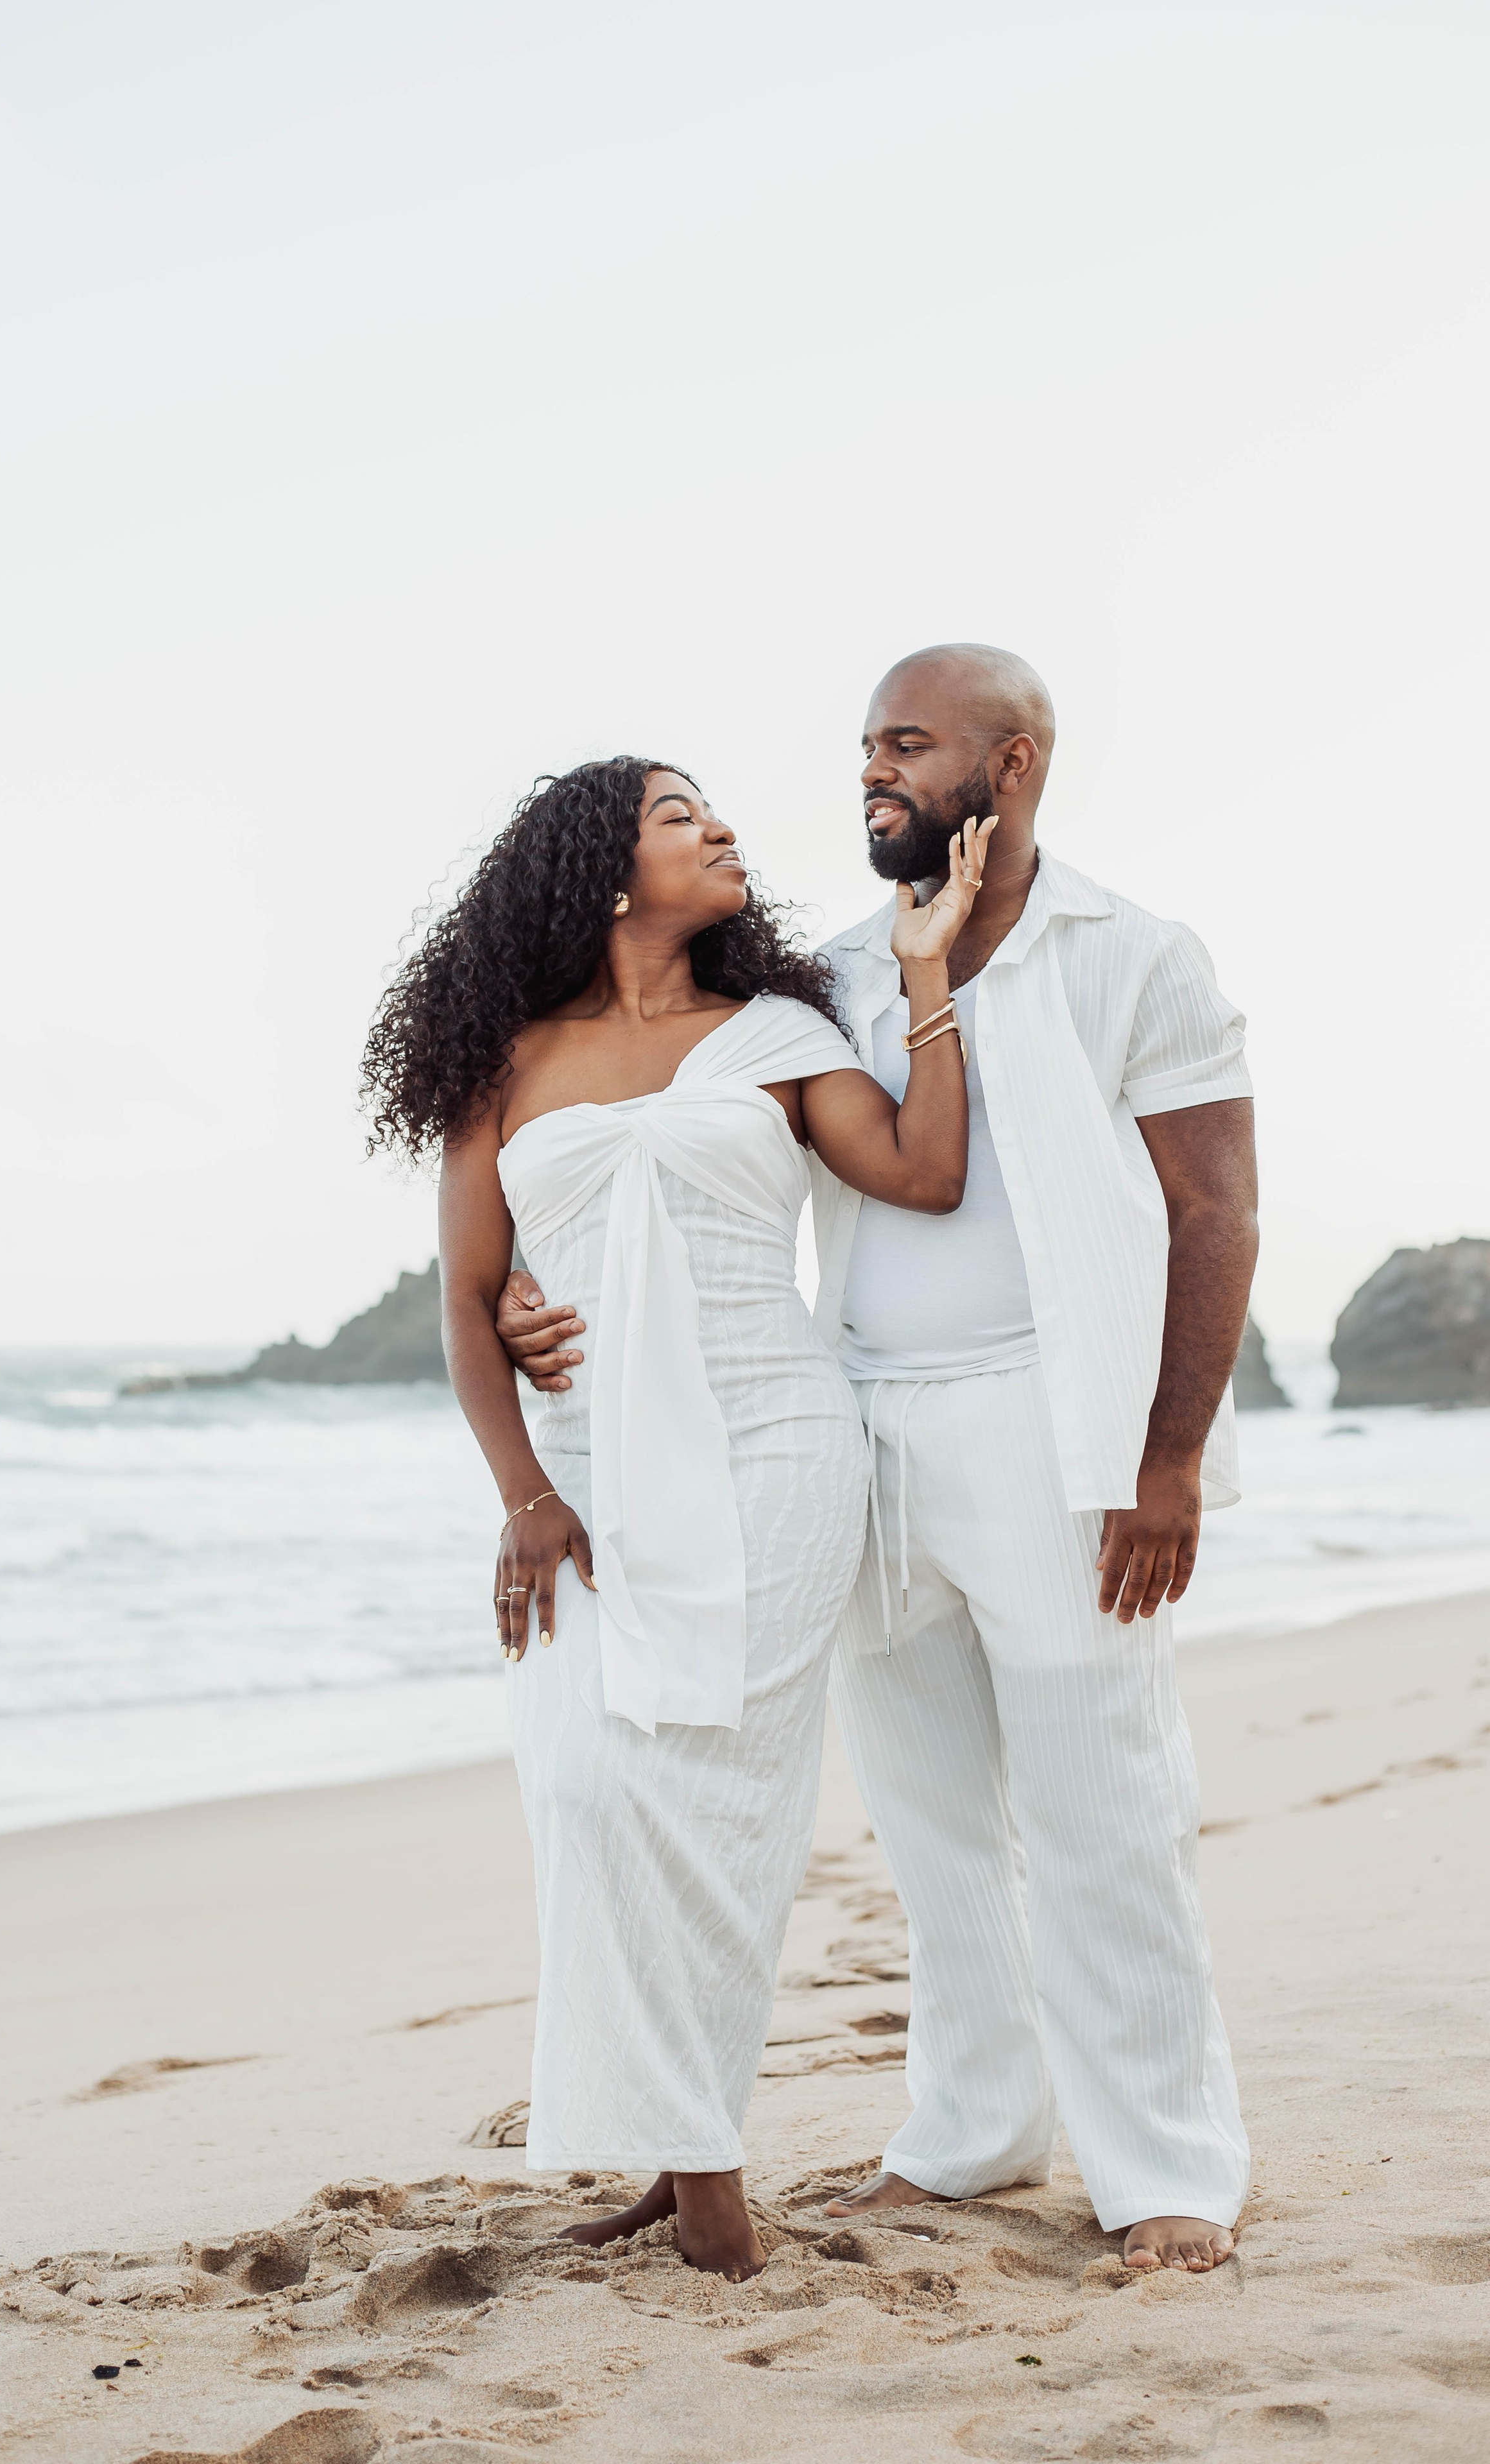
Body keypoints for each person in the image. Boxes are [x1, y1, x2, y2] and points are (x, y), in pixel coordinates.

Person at [497, 649, 1258, 2277]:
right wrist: (517, 1278)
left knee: (1104, 1801)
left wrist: (1167, 1454)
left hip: (1059, 1428)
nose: (871, 775)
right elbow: (666, 1151)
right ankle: (966, 2141)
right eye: (861, 748)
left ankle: (1166, 2168)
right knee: (927, 1830)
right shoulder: (825, 976)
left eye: (905, 746)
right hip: (853, 1428)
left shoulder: (1135, 956)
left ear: (1013, 758)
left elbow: (1213, 1212)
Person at [362, 755, 995, 2281]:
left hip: (773, 1449)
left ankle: (700, 2174)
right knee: (589, 1790)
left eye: (710, 812)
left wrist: (924, 987)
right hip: (582, 1474)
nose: (719, 829)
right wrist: (522, 1494)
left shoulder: (775, 1037)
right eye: (677, 814)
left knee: (717, 1803)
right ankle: (674, 2141)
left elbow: (922, 1172)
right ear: (600, 870)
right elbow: (465, 1294)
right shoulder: (502, 1062)